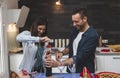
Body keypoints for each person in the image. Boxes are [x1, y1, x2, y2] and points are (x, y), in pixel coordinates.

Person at [45, 7, 99, 74]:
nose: (74, 24)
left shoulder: (92, 35)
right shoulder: (75, 30)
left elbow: (80, 57)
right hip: (71, 71)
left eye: (76, 21)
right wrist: (62, 53)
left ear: (84, 19)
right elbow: (70, 46)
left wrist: (59, 63)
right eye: (73, 21)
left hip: (84, 73)